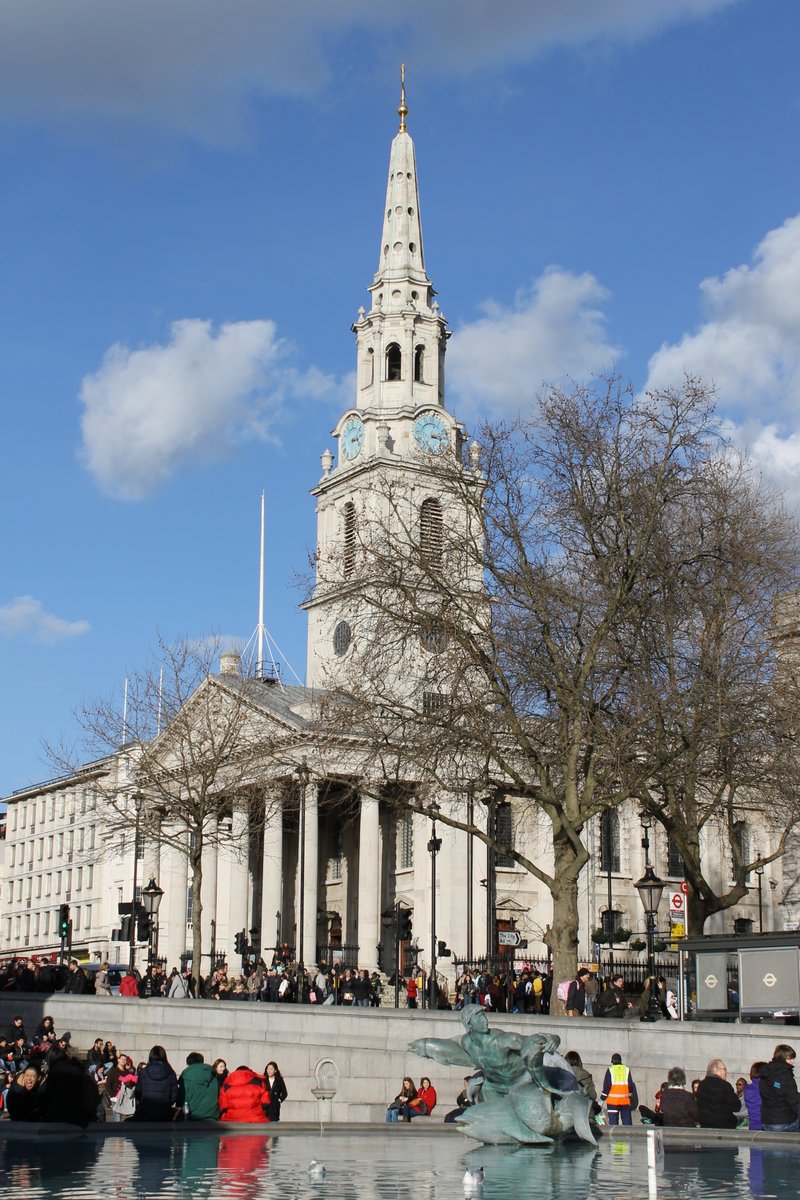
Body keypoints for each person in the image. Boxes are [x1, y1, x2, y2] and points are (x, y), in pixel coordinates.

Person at [130, 1045, 179, 1122]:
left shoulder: (143, 1072)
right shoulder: (171, 1073)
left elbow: (138, 1093)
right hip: (164, 1113)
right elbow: (174, 1096)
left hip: (145, 1111)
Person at [758, 1044, 799, 1133]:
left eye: (793, 1058)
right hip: (784, 1121)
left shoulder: (766, 1073)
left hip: (766, 1121)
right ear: (782, 1058)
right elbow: (793, 1100)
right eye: (789, 1058)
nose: (793, 1061)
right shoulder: (785, 1075)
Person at [696, 1059, 741, 1130]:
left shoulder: (702, 1085)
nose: (726, 1072)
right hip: (724, 1127)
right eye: (724, 1069)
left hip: (705, 1126)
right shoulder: (725, 1086)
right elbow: (736, 1107)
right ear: (716, 1070)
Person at [178, 1052, 220, 1120]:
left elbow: (181, 1100)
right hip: (212, 1117)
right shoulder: (213, 1076)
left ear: (188, 1063)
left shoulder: (186, 1077)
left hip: (192, 1118)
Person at [600, 1052, 638, 1126]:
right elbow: (630, 1085)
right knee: (627, 1123)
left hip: (612, 1101)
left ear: (612, 1061)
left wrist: (602, 1097)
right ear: (621, 1060)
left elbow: (607, 1085)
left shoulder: (610, 1069)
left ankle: (615, 1134)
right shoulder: (626, 1069)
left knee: (613, 1124)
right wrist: (629, 1095)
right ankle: (628, 1133)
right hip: (625, 1100)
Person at [564, 1050, 601, 1119]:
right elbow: (593, 1095)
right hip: (585, 1114)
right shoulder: (586, 1074)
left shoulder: (561, 1075)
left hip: (565, 1115)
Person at [744, 1061, 766, 1132]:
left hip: (752, 1125)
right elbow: (780, 1086)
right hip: (765, 1126)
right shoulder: (767, 1087)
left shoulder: (747, 1089)